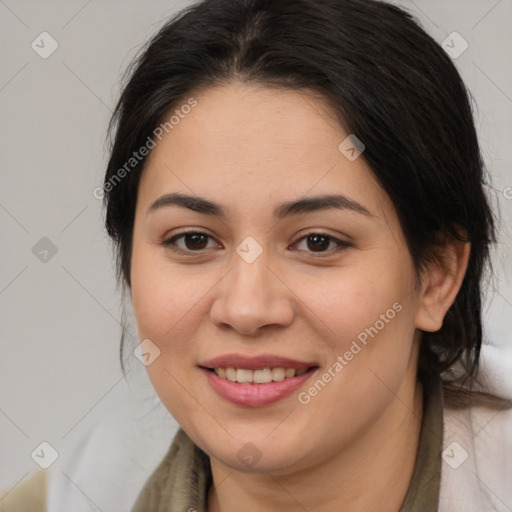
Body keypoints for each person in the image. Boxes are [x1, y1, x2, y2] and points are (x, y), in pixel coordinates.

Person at [1, 0, 511, 510]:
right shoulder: (64, 497)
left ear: (438, 276)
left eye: (318, 242)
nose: (246, 310)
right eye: (193, 240)